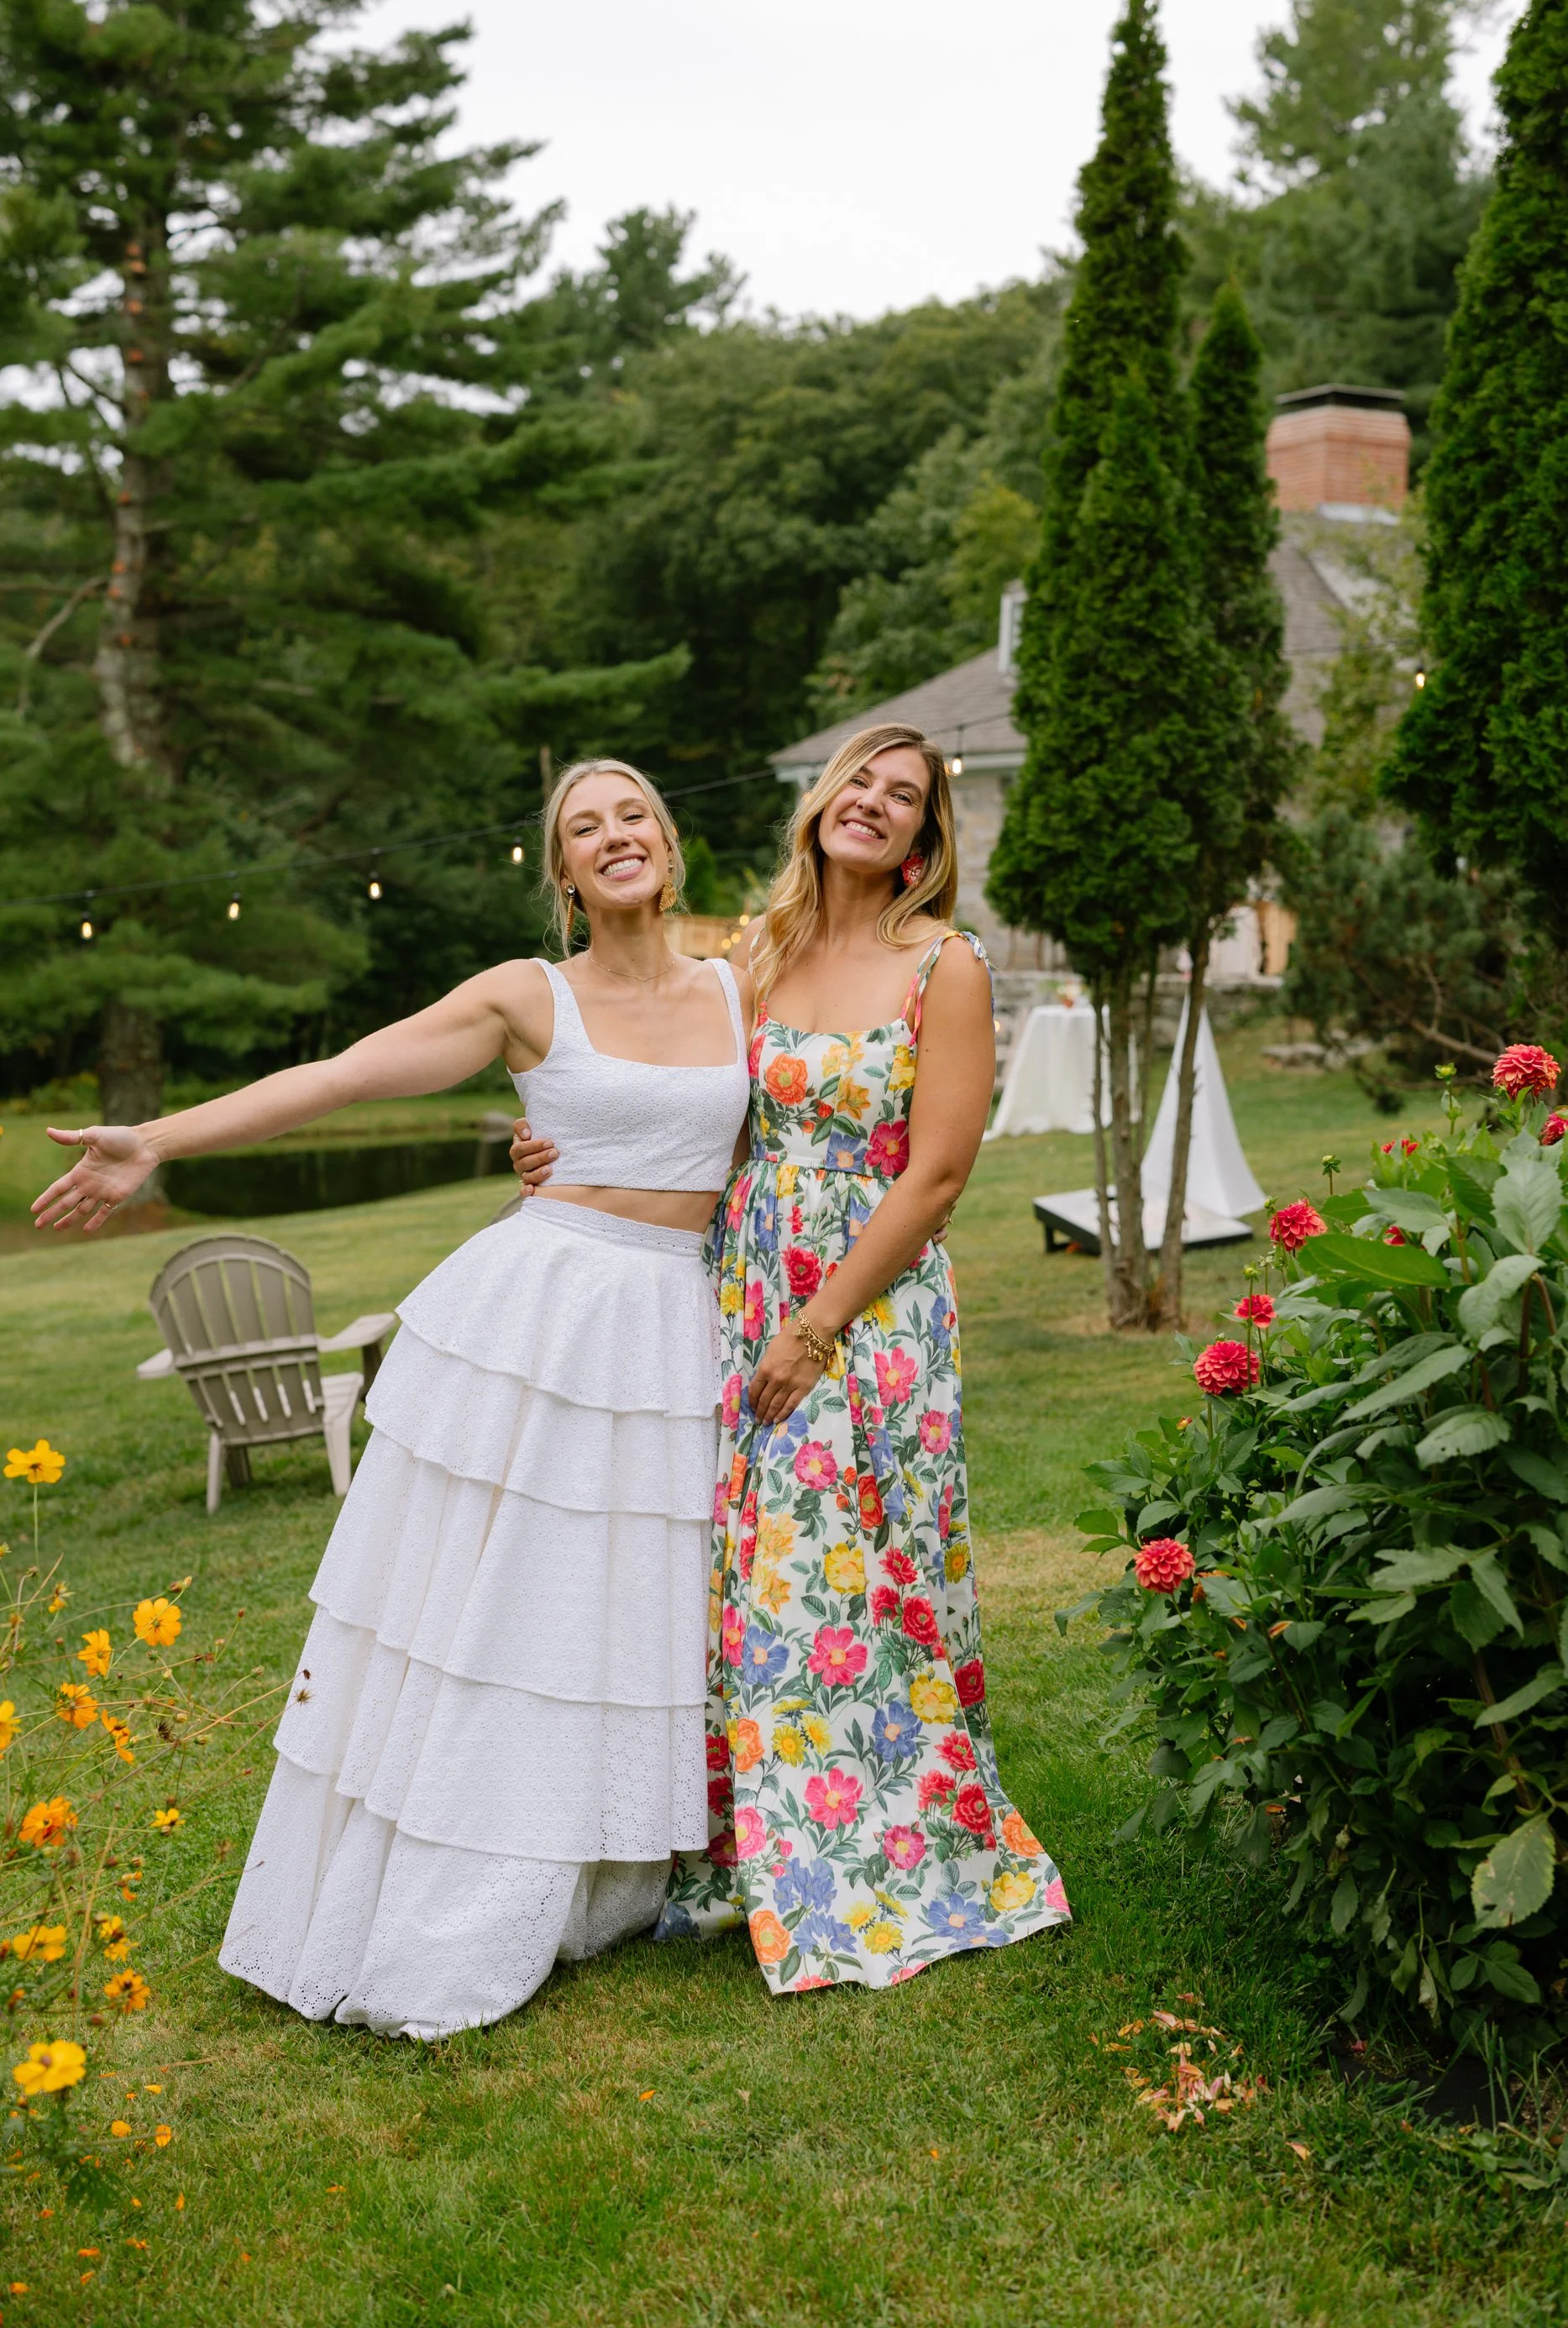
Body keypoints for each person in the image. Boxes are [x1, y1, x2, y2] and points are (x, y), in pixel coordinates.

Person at [32, 761, 751, 2038]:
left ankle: (604, 1871)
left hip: (671, 1323)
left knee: (620, 1608)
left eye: (631, 814)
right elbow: (350, 1074)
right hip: (547, 1315)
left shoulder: (742, 986)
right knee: (504, 1611)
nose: (613, 837)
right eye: (583, 828)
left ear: (669, 842)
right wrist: (161, 1140)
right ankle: (460, 1896)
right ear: (564, 875)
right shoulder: (528, 997)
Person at [512, 724, 1068, 1993]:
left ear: (924, 841)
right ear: (821, 803)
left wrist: (816, 1331)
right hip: (738, 1288)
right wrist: (549, 1146)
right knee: (741, 1579)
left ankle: (881, 1845)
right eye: (856, 783)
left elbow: (934, 1178)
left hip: (863, 1313)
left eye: (901, 797)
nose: (871, 805)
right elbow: (663, 1090)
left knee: (859, 1576)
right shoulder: (750, 956)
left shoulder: (948, 966)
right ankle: (751, 1849)